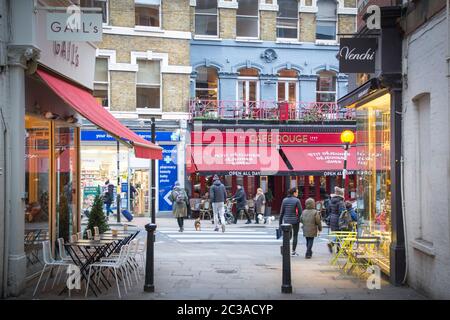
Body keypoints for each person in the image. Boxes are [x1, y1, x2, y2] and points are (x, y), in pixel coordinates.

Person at [279, 187, 303, 256]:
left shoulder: (284, 200)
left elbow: (281, 213)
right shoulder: (297, 200)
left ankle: (285, 249)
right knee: (295, 235)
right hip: (295, 221)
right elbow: (300, 212)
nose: (297, 194)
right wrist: (299, 220)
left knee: (287, 236)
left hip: (286, 221)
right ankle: (293, 251)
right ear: (294, 193)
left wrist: (280, 224)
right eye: (297, 192)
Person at [327, 186, 346, 252]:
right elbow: (342, 212)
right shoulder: (340, 202)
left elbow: (328, 210)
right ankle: (332, 243)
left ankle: (338, 249)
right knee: (341, 234)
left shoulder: (331, 201)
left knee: (338, 234)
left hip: (332, 218)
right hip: (338, 219)